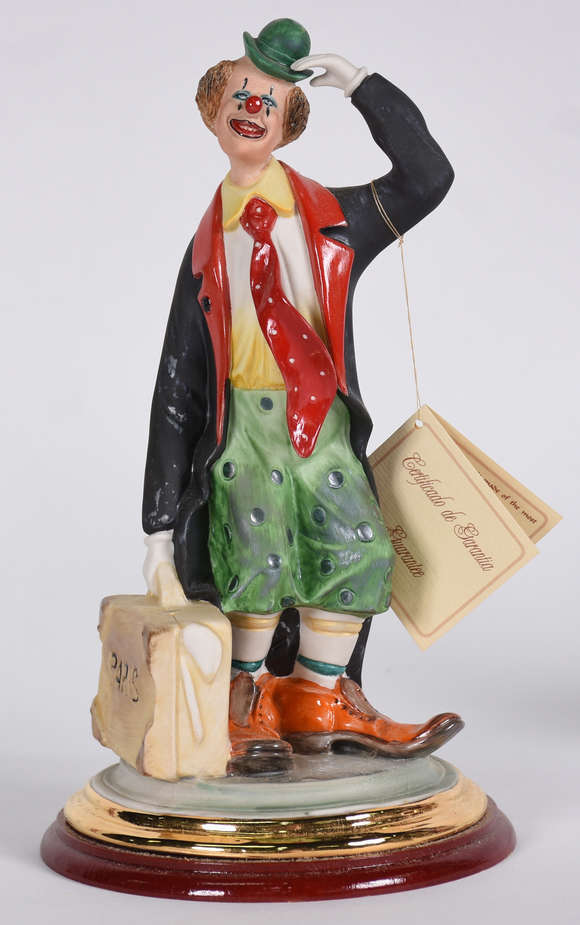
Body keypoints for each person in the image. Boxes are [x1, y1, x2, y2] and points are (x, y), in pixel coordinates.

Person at [142, 18, 463, 770]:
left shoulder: (338, 222)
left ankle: (319, 696)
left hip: (319, 420)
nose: (252, 108)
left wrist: (361, 85)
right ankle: (247, 698)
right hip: (246, 426)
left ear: (290, 124)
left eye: (271, 100)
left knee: (357, 548)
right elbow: (177, 387)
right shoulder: (206, 251)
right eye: (240, 93)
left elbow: (428, 177)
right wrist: (157, 528)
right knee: (254, 559)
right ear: (212, 109)